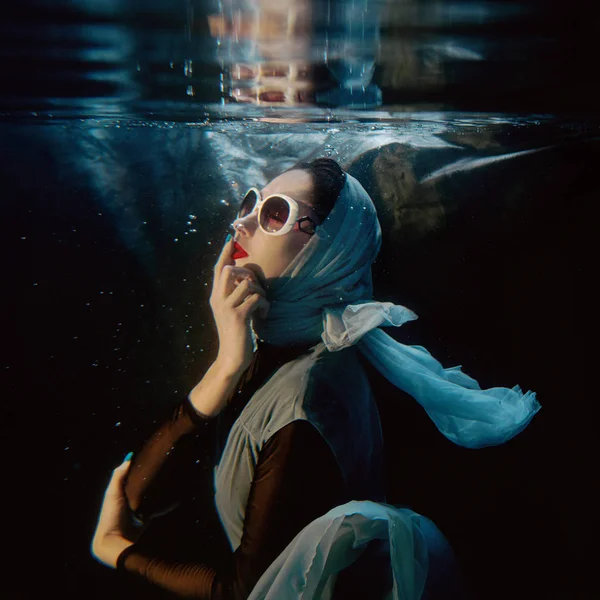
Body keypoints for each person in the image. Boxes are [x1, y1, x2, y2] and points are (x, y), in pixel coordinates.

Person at [91, 158, 540, 599]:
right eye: (250, 203)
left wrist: (118, 552)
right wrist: (225, 366)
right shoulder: (280, 346)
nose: (240, 225)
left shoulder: (303, 401)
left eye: (274, 213)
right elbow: (140, 501)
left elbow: (246, 591)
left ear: (330, 248)